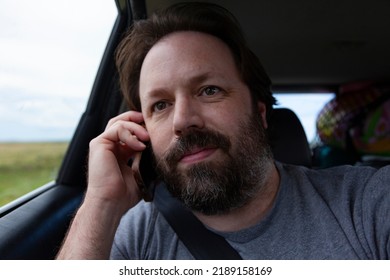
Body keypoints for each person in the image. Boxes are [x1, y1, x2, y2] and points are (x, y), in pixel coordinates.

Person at [57, 2, 390, 259]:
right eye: (160, 105)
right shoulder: (135, 232)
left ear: (259, 113)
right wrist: (101, 204)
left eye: (209, 90)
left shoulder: (364, 203)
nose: (182, 121)